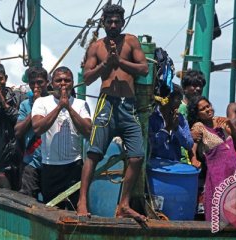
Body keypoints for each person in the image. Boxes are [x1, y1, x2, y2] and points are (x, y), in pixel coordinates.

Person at [77, 4, 148, 222]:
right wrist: (106, 64)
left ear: (123, 22)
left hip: (128, 105)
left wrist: (121, 62)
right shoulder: (96, 47)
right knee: (94, 153)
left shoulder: (131, 41)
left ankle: (124, 204)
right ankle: (82, 201)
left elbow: (144, 69)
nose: (114, 25)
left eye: (117, 21)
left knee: (137, 156)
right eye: (110, 21)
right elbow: (87, 77)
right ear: (104, 23)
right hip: (106, 105)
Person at [31, 66, 91, 209]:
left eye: (67, 80)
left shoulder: (81, 104)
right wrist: (59, 107)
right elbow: (38, 128)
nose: (63, 84)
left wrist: (69, 108)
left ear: (72, 82)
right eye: (59, 80)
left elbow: (88, 131)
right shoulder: (41, 102)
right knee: (51, 209)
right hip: (50, 167)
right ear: (52, 83)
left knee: (74, 210)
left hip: (74, 166)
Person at [188, 96, 236, 221]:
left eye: (208, 106)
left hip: (234, 170)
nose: (208, 110)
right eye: (202, 109)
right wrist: (194, 159)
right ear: (197, 114)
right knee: (219, 206)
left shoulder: (220, 121)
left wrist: (230, 124)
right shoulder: (199, 126)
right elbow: (193, 145)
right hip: (218, 173)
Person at [15, 65, 48, 198]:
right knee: (26, 199)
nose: (36, 86)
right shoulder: (25, 105)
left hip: (50, 162)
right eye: (32, 83)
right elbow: (18, 131)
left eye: (40, 82)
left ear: (47, 82)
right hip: (31, 161)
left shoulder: (54, 102)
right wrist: (35, 107)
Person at [149, 85, 193, 163]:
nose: (180, 102)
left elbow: (189, 144)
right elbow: (151, 144)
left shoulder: (181, 119)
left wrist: (176, 128)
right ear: (168, 99)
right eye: (178, 99)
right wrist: (167, 129)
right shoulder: (152, 117)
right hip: (154, 166)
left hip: (174, 166)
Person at [179, 69, 206, 164]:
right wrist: (189, 135)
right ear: (184, 88)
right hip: (181, 159)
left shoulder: (199, 110)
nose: (198, 89)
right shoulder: (180, 108)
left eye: (200, 86)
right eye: (194, 86)